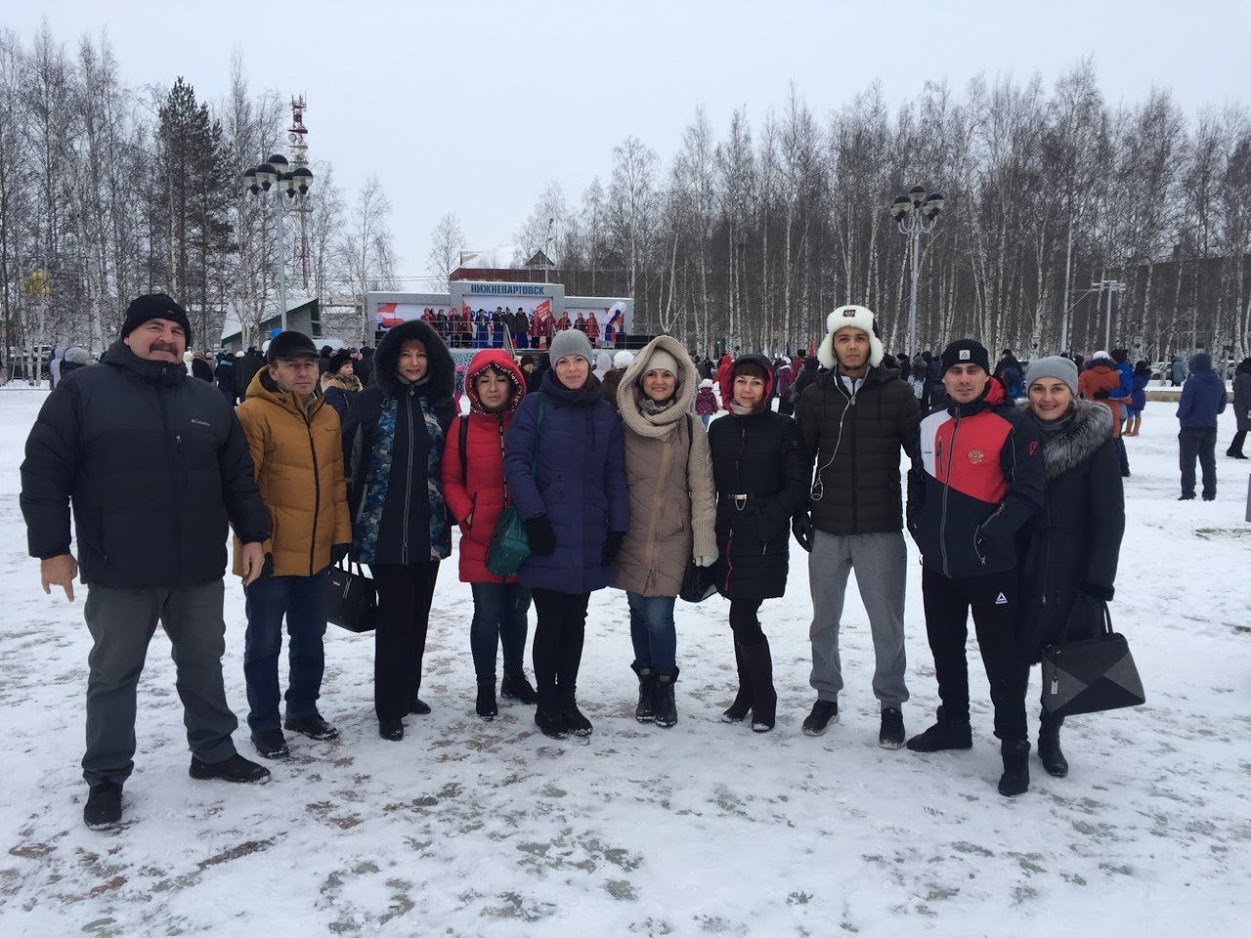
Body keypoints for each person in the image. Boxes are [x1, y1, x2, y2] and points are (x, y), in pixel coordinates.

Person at [20, 293, 273, 830]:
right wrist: (52, 549)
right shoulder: (83, 393)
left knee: (203, 661)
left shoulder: (207, 400)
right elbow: (43, 473)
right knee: (114, 673)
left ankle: (213, 750)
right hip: (121, 567)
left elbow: (237, 477)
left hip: (196, 567)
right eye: (155, 327)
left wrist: (253, 534)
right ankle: (106, 775)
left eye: (177, 331)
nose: (167, 338)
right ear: (128, 335)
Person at [905, 339, 1044, 797]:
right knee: (945, 648)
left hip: (991, 568)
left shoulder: (1013, 425)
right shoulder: (929, 424)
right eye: (955, 371)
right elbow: (917, 481)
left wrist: (990, 535)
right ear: (943, 377)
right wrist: (918, 524)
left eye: (972, 371)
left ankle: (1013, 745)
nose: (964, 379)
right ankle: (954, 723)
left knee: (1001, 659)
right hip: (939, 565)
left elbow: (1028, 493)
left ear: (987, 376)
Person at [792, 306, 920, 747]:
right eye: (843, 338)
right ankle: (826, 696)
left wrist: (919, 509)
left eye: (860, 338)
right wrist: (799, 508)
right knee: (824, 620)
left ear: (873, 344)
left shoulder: (898, 394)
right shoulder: (814, 395)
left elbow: (921, 458)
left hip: (879, 528)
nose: (851, 346)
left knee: (887, 623)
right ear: (832, 345)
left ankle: (891, 704)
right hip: (827, 526)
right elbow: (800, 457)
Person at [504, 327, 628, 739]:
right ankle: (548, 703)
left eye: (578, 360)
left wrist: (618, 526)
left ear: (589, 363)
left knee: (576, 621)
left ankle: (568, 699)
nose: (571, 368)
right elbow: (516, 463)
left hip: (590, 532)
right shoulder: (534, 406)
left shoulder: (605, 413)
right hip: (548, 533)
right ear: (553, 366)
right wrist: (535, 517)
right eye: (563, 361)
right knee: (551, 619)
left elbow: (614, 473)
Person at [234, 331, 351, 759]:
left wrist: (339, 535)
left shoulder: (327, 415)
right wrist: (255, 542)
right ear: (274, 370)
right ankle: (264, 722)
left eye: (309, 364)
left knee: (310, 636)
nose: (303, 373)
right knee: (264, 642)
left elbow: (336, 479)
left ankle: (302, 709)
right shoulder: (252, 414)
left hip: (316, 550)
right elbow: (242, 486)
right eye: (293, 365)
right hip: (270, 553)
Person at [342, 318, 455, 741]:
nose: (413, 362)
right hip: (381, 526)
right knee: (395, 617)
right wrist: (346, 518)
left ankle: (409, 692)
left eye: (421, 354)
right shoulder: (371, 401)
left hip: (428, 526)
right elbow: (348, 461)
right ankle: (389, 707)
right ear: (392, 359)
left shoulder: (440, 405)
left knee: (419, 614)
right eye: (406, 354)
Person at [1017, 357, 1124, 779]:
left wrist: (1098, 578)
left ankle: (1050, 733)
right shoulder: (1014, 432)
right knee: (1012, 650)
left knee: (1060, 656)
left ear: (1072, 391)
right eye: (1038, 389)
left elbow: (1110, 516)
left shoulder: (1094, 441)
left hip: (1070, 565)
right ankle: (1013, 732)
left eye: (1056, 389)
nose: (1047, 398)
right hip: (1021, 560)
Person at [613, 336, 718, 728]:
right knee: (637, 612)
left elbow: (702, 487)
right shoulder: (623, 424)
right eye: (652, 374)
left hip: (673, 536)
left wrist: (704, 538)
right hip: (630, 535)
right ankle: (645, 684)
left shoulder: (690, 428)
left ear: (678, 381)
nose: (659, 381)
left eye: (667, 375)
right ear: (640, 380)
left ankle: (664, 687)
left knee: (659, 615)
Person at [708, 354, 809, 733]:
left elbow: (797, 483)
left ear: (767, 387)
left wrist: (768, 518)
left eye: (755, 382)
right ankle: (747, 694)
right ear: (729, 384)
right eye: (741, 381)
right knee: (738, 612)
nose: (747, 389)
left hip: (763, 532)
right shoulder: (719, 429)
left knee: (743, 614)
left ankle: (763, 697)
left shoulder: (783, 427)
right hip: (727, 530)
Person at [440, 349, 539, 719]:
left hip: (522, 536)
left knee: (517, 611)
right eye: (484, 381)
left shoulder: (527, 425)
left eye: (500, 380)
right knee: (487, 614)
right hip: (481, 537)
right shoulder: (462, 427)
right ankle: (485, 686)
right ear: (474, 386)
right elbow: (450, 478)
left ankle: (514, 677)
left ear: (513, 384)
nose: (493, 387)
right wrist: (468, 515)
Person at [1176, 352, 1227, 501]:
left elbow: (1185, 406)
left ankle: (1188, 492)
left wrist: (1181, 415)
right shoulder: (1219, 383)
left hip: (1190, 428)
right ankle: (1210, 492)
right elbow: (1221, 408)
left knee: (1188, 462)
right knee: (1209, 461)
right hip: (1210, 427)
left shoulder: (1192, 383)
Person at [321, 349, 363, 422]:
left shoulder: (354, 384)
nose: (351, 369)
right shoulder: (333, 388)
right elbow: (341, 414)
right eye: (347, 367)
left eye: (351, 367)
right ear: (337, 369)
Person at [1226, 358, 1250, 459]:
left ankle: (1232, 449)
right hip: (1245, 407)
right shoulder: (1246, 377)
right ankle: (1236, 450)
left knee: (1243, 428)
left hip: (1241, 406)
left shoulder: (1242, 375)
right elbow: (1248, 394)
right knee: (1244, 428)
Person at [1126, 360, 1151, 436]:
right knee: (1138, 413)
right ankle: (1135, 430)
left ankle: (1128, 430)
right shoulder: (1145, 376)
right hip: (1141, 396)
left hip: (1134, 395)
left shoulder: (1137, 377)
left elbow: (1132, 385)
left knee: (1130, 413)